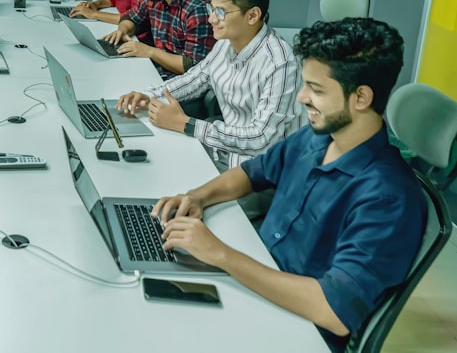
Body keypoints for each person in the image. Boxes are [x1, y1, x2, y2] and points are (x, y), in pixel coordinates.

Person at [151, 18, 426, 352]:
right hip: (253, 278)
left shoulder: (389, 196)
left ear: (361, 97)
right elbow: (253, 173)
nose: (301, 97)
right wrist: (197, 197)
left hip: (292, 328)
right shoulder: (316, 137)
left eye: (317, 90)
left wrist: (220, 254)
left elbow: (333, 311)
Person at [116, 0, 303, 171]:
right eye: (211, 9)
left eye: (221, 12)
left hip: (263, 170)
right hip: (226, 147)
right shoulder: (226, 43)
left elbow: (260, 137)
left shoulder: (281, 63)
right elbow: (195, 79)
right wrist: (147, 95)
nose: (212, 19)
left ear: (252, 16)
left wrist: (185, 124)